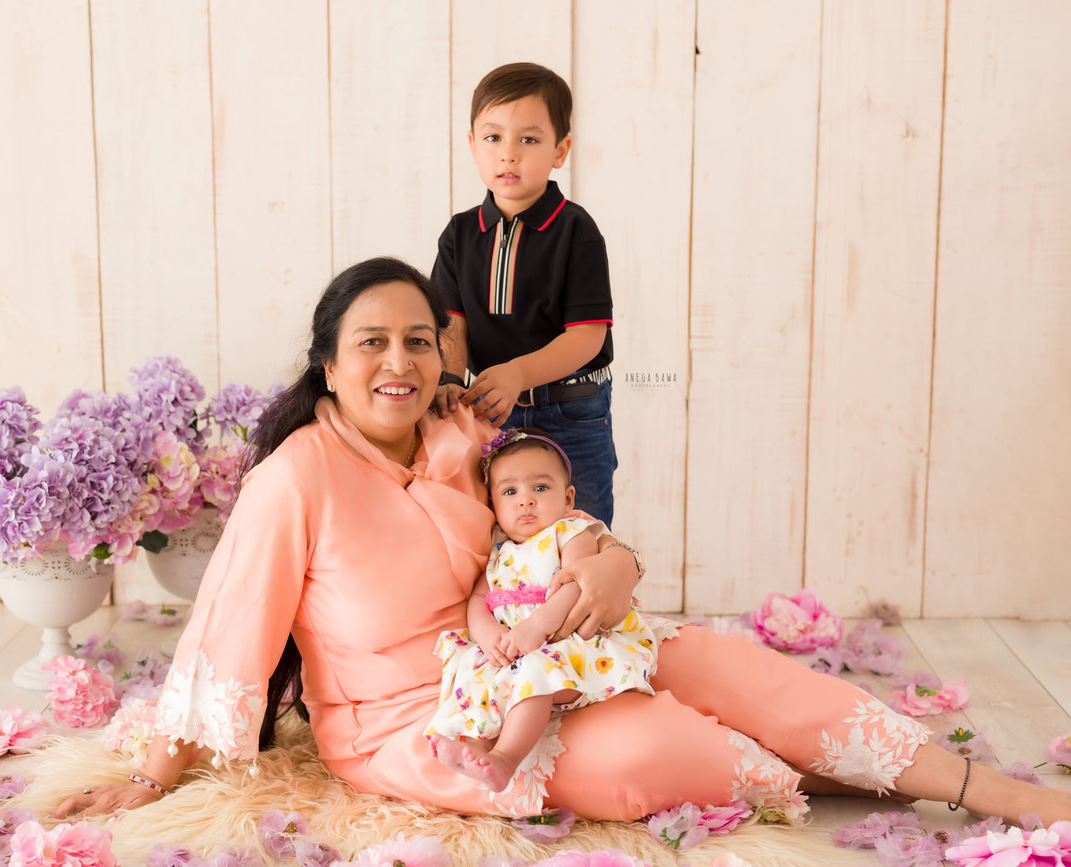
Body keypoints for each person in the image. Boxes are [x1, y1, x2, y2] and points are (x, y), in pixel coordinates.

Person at [54, 257, 1071, 828]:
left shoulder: (462, 440)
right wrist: (152, 774)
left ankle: (981, 788)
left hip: (546, 654)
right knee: (655, 744)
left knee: (718, 660)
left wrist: (611, 563)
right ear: (327, 365)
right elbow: (226, 637)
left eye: (419, 339)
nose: (400, 361)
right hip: (423, 719)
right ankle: (827, 772)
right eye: (372, 342)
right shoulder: (296, 479)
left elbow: (552, 530)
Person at [425, 427, 673, 794]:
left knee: (536, 672)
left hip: (568, 645)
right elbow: (479, 601)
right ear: (493, 504)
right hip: (514, 647)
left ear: (568, 497)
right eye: (510, 492)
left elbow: (577, 586)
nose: (525, 500)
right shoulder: (498, 552)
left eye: (540, 488)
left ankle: (506, 758)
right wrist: (487, 633)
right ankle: (473, 744)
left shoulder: (571, 533)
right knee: (472, 669)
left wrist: (537, 626)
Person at [431, 62, 618, 525]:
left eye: (528, 140)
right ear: (473, 146)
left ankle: (592, 594)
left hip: (572, 410)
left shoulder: (576, 230)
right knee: (497, 532)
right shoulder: (460, 233)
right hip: (492, 413)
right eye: (493, 138)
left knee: (581, 531)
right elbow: (451, 322)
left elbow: (587, 337)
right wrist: (451, 381)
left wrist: (518, 373)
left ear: (560, 150)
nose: (508, 154)